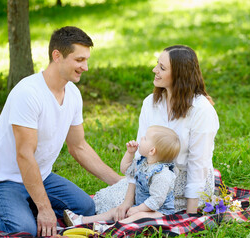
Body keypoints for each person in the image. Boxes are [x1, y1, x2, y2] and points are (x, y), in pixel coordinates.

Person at [0, 26, 122, 237]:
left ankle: (25, 207)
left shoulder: (72, 94)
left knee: (86, 208)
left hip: (40, 176)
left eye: (86, 60)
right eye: (79, 60)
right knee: (24, 230)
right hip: (2, 178)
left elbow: (78, 147)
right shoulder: (28, 93)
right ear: (57, 56)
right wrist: (44, 208)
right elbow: (24, 155)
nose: (85, 67)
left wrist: (121, 182)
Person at [93, 45, 219, 215]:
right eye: (157, 64)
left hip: (182, 181)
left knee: (133, 212)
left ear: (179, 75)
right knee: (106, 202)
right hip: (149, 176)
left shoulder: (201, 110)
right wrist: (127, 201)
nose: (155, 70)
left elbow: (198, 164)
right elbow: (140, 154)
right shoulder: (150, 103)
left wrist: (190, 216)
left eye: (162, 68)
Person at [63, 125, 180, 227]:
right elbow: (125, 169)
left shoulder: (162, 174)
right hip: (141, 206)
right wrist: (130, 153)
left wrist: (138, 209)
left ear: (152, 151)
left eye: (145, 138)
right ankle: (82, 220)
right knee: (115, 211)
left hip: (160, 212)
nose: (141, 138)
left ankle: (111, 228)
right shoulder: (143, 162)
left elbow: (156, 201)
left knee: (138, 216)